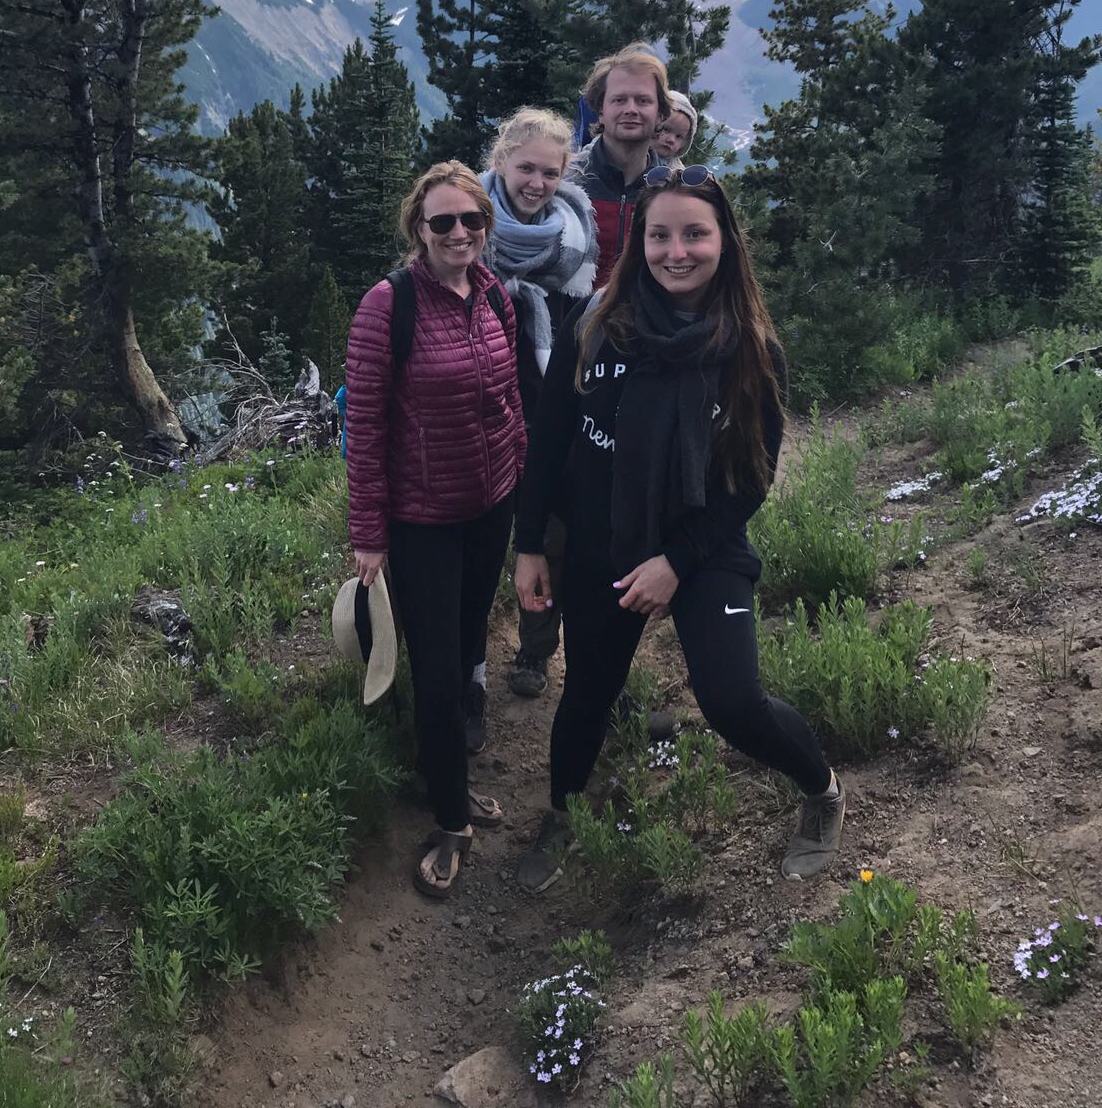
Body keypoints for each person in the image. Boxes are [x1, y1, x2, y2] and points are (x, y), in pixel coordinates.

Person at [512, 164, 845, 892]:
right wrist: (530, 543)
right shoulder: (595, 326)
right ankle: (564, 814)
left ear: (725, 241)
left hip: (702, 543)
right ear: (640, 241)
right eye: (659, 235)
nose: (676, 252)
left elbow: (750, 481)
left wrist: (676, 561)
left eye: (695, 234)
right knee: (588, 692)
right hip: (601, 539)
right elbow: (549, 443)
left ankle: (821, 790)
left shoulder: (750, 351)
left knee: (732, 702)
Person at [345, 162, 526, 898]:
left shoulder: (492, 294)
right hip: (423, 522)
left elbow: (510, 400)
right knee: (440, 669)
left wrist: (521, 476)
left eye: (470, 220)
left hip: (491, 507)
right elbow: (364, 427)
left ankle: (442, 772)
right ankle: (450, 817)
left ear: (486, 226)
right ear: (418, 229)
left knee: (466, 643)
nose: (458, 232)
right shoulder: (388, 305)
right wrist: (369, 534)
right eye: (442, 221)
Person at [460, 107, 598, 726]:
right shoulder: (464, 231)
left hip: (553, 415)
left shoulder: (577, 239)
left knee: (551, 537)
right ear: (500, 162)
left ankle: (536, 650)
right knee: (480, 543)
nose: (537, 182)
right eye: (526, 169)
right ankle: (465, 665)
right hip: (481, 420)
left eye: (550, 171)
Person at [568, 45, 672, 285]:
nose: (631, 109)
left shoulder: (672, 190)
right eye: (619, 100)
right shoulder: (567, 181)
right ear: (601, 110)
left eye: (643, 100)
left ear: (660, 113)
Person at [655, 89, 700, 169]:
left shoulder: (677, 170)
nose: (671, 140)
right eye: (666, 130)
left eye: (678, 136)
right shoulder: (634, 152)